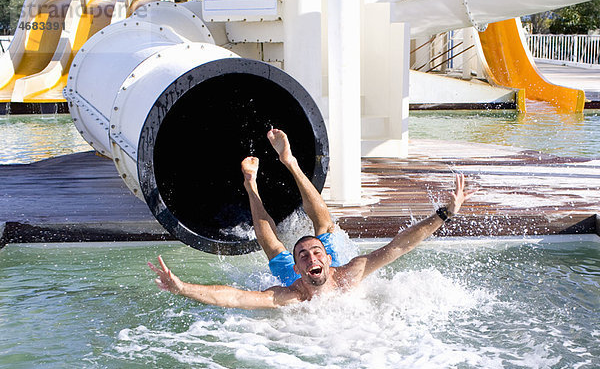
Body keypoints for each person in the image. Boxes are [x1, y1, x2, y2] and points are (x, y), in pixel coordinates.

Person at [148, 129, 476, 309]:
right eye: (304, 256)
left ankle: (289, 162)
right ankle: (252, 186)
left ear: (328, 260)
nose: (310, 258)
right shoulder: (289, 294)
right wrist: (182, 288)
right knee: (274, 248)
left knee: (325, 227)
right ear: (299, 269)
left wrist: (445, 214)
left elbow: (398, 247)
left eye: (316, 253)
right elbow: (234, 297)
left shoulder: (351, 273)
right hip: (291, 276)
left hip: (333, 258)